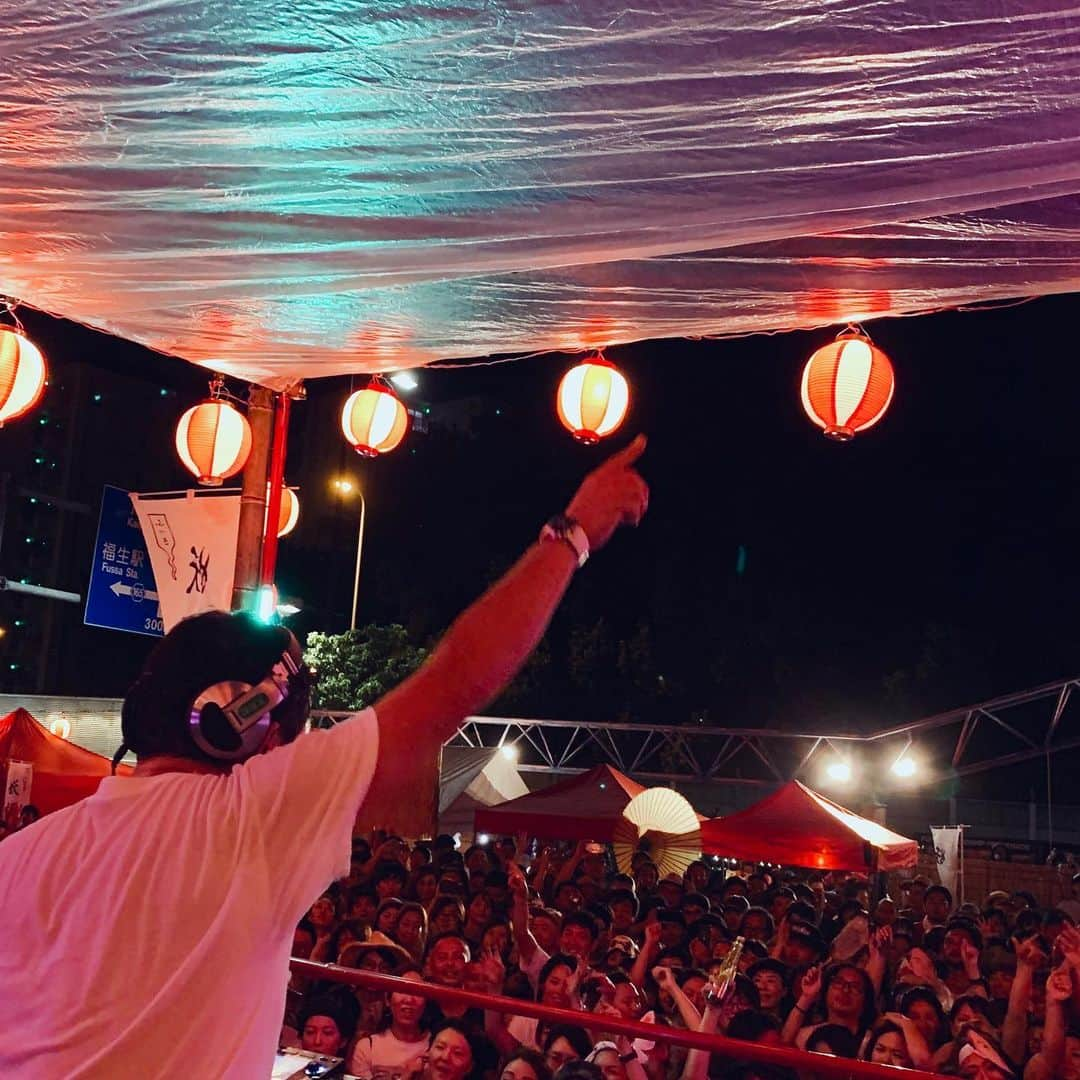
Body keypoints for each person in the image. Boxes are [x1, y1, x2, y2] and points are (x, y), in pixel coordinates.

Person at [0, 437, 650, 1078]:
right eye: (290, 731)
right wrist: (573, 535)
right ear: (240, 722)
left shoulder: (18, 857)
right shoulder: (251, 817)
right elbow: (455, 680)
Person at [348, 968, 433, 1078]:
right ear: (387, 999)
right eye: (402, 990)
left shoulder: (436, 1046)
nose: (409, 1000)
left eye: (417, 992)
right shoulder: (367, 1047)